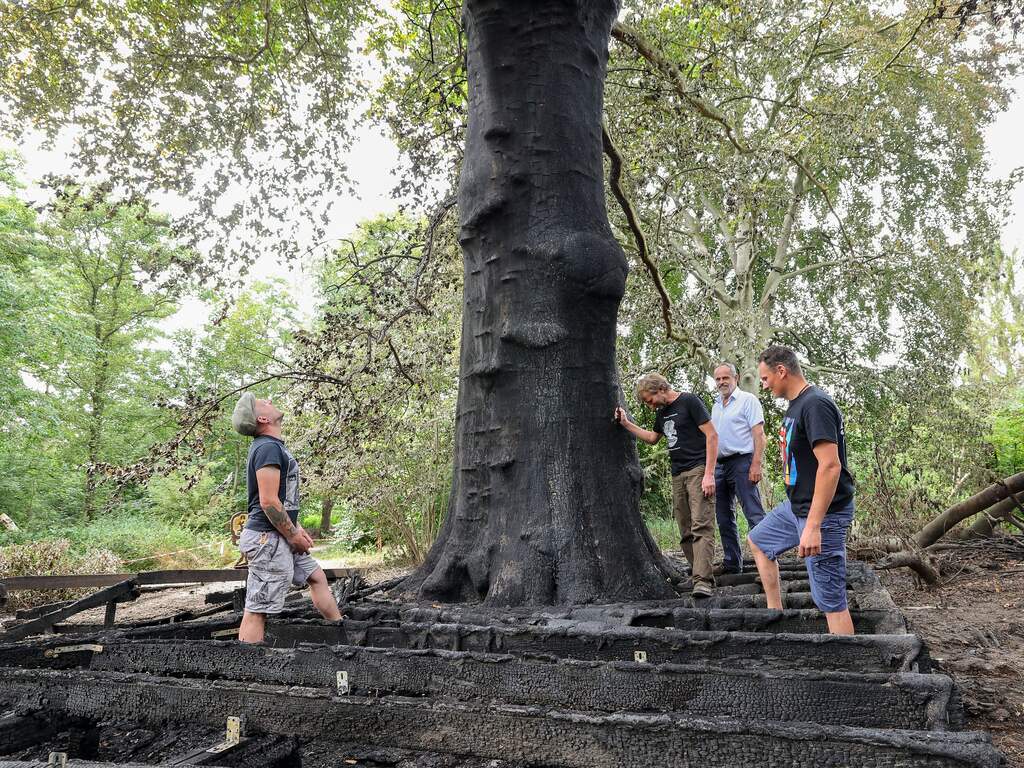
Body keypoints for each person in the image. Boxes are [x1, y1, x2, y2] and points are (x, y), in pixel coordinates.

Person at [747, 346, 856, 634]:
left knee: (831, 600)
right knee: (759, 541)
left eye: (765, 378)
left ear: (781, 371)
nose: (764, 384)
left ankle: (853, 669)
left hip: (824, 514)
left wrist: (814, 526)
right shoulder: (796, 405)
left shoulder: (815, 405)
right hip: (797, 508)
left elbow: (831, 467)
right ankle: (775, 617)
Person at [231, 392, 341, 643]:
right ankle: (249, 669)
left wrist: (297, 528)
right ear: (261, 418)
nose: (269, 401)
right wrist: (292, 536)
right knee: (258, 608)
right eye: (263, 403)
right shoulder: (267, 447)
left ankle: (341, 634)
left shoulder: (274, 447)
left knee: (317, 577)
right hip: (267, 539)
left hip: (278, 534)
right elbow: (268, 501)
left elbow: (282, 498)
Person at [615, 373, 719, 598]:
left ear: (660, 389)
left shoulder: (690, 401)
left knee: (701, 524)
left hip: (698, 469)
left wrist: (709, 474)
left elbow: (712, 436)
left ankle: (703, 581)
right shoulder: (662, 413)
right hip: (677, 474)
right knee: (685, 528)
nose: (649, 405)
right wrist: (625, 424)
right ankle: (696, 574)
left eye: (649, 400)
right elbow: (652, 438)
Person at [711, 362, 766, 575]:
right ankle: (732, 563)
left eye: (726, 378)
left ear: (736, 377)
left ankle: (767, 562)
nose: (722, 382)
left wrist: (756, 463)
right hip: (720, 465)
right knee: (724, 516)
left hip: (743, 462)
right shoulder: (716, 405)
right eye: (718, 379)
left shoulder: (747, 400)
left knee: (754, 514)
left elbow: (759, 435)